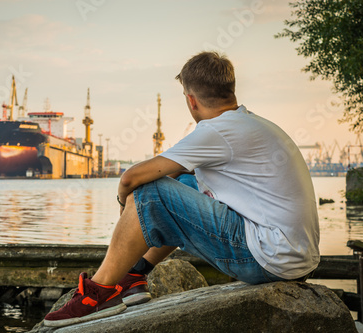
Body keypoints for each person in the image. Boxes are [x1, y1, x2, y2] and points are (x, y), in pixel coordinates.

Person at [43, 51, 320, 328]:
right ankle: (135, 275)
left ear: (191, 99)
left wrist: (125, 203)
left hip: (268, 260)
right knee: (184, 183)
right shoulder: (251, 123)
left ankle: (98, 294)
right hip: (295, 259)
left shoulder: (217, 131)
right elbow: (175, 174)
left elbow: (130, 178)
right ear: (230, 90)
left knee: (151, 191)